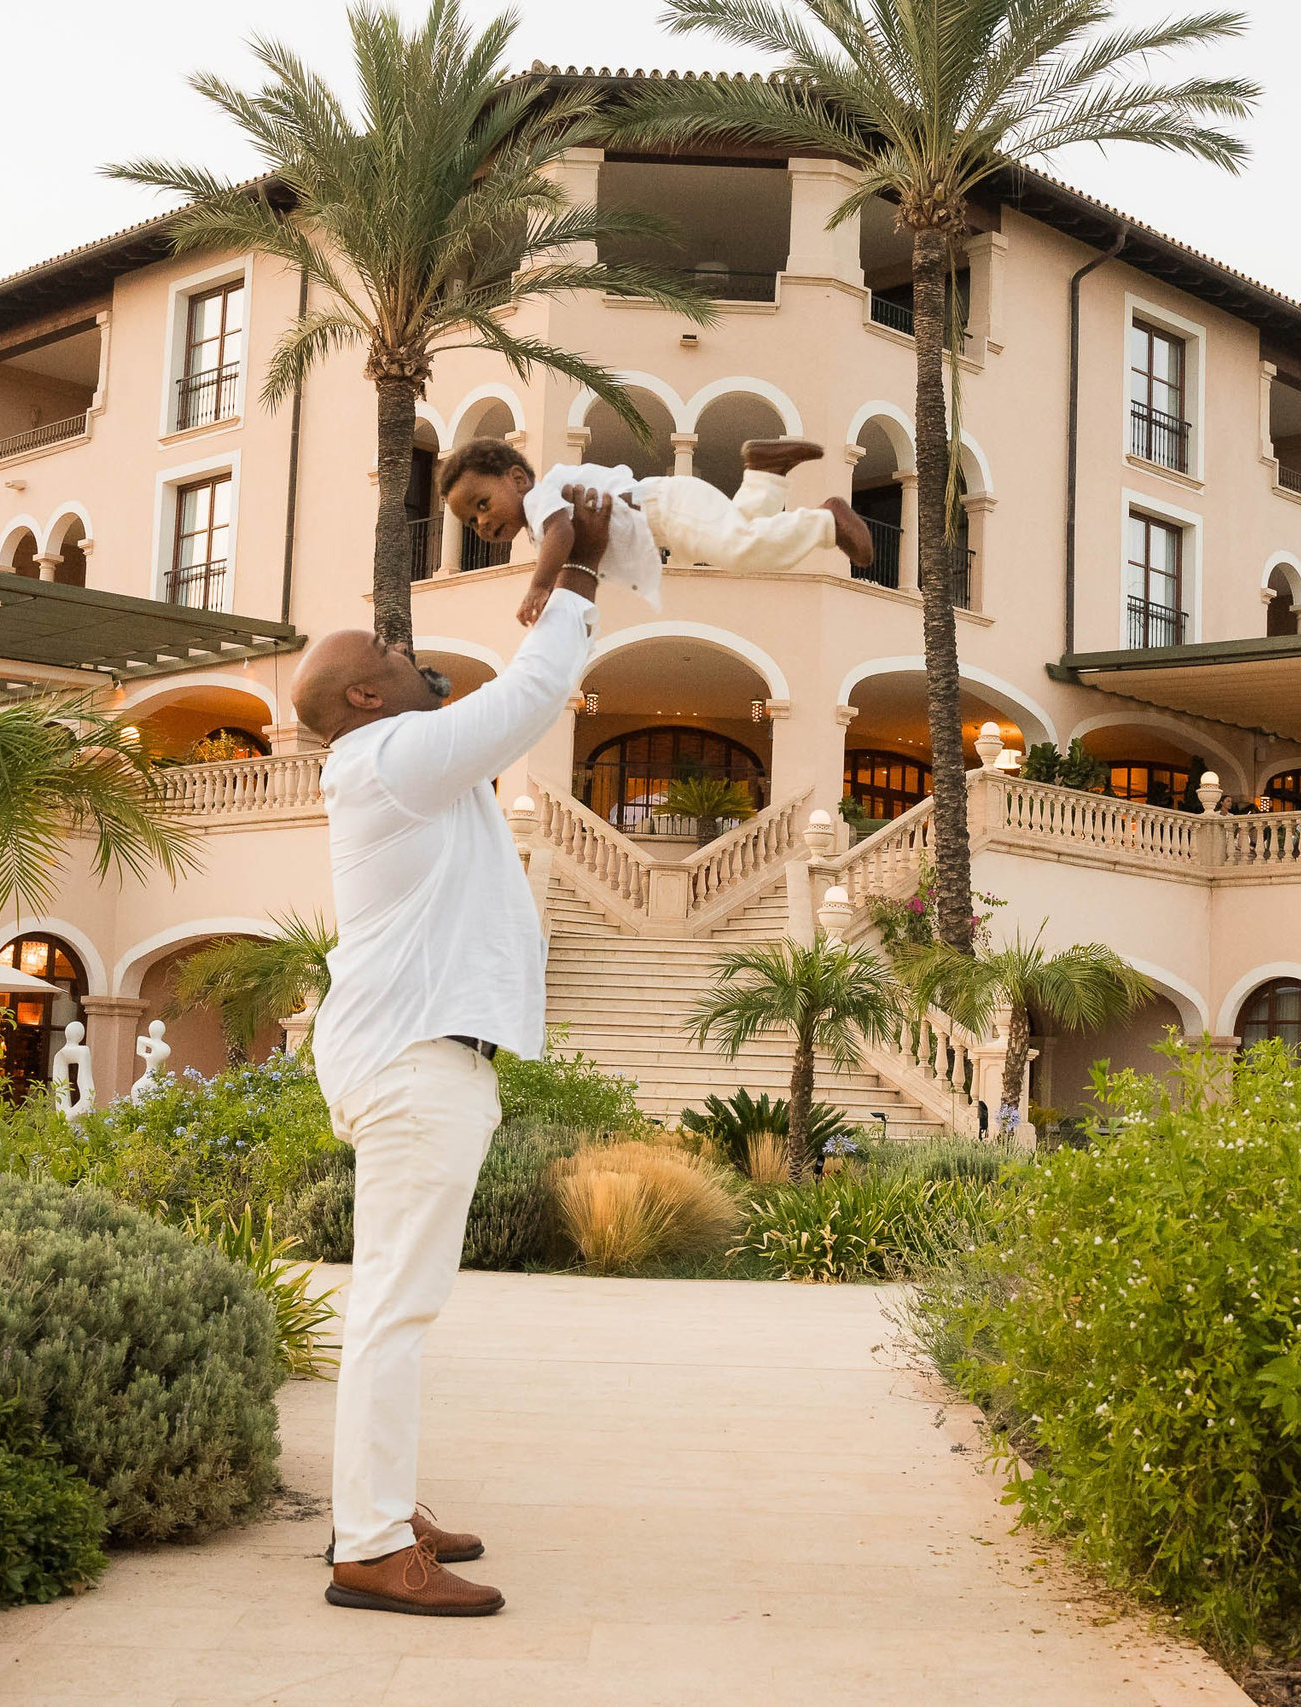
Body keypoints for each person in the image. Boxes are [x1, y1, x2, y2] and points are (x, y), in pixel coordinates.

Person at [290, 486, 618, 1618]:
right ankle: (372, 1547)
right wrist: (577, 574)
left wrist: (545, 583)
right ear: (364, 695)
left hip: (424, 1056)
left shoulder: (403, 761)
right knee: (397, 1303)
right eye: (387, 649)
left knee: (399, 1300)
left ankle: (376, 1508)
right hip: (416, 1062)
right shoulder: (390, 757)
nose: (406, 649)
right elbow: (528, 697)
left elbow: (497, 698)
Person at [437, 435, 873, 624]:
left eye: (481, 504)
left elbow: (563, 536)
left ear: (516, 479)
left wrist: (538, 587)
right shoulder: (537, 517)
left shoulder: (540, 498)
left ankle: (826, 521)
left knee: (740, 551)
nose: (482, 522)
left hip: (665, 509)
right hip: (667, 512)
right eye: (470, 522)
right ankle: (765, 472)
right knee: (741, 530)